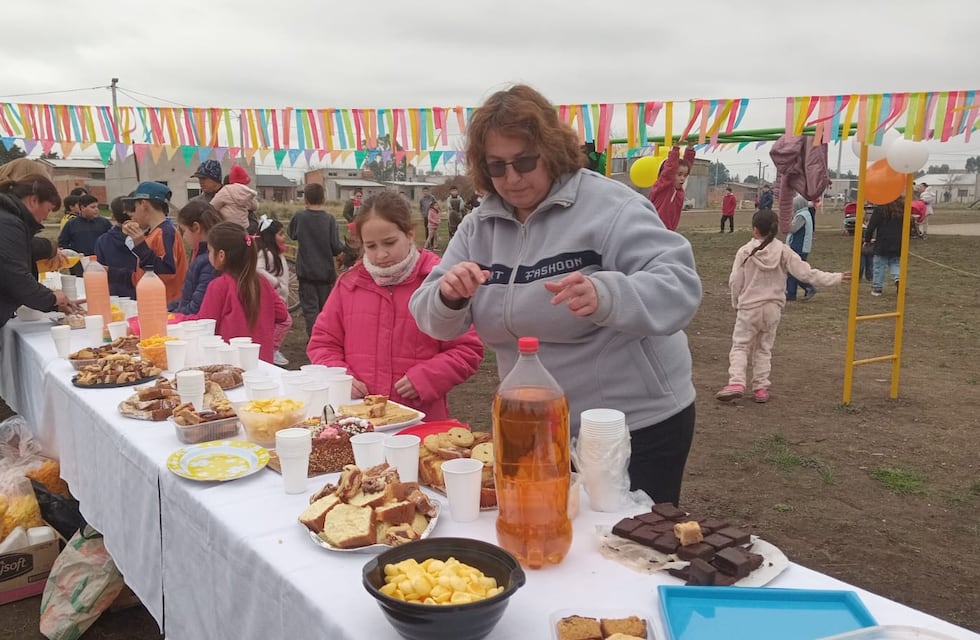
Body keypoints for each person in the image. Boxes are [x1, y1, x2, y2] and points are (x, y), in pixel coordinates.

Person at [408, 84, 702, 506]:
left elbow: (679, 284)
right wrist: (450, 296)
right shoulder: (479, 225)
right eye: (497, 166)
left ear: (551, 150)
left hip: (631, 426)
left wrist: (608, 294)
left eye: (524, 162)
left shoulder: (610, 207)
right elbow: (427, 312)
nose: (511, 178)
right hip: (535, 424)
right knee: (548, 535)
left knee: (628, 547)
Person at [307, 191, 483, 420]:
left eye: (389, 242)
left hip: (420, 420)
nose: (381, 255)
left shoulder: (438, 283)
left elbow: (467, 349)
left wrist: (426, 377)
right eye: (371, 246)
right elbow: (322, 343)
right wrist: (341, 378)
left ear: (409, 234)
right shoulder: (349, 284)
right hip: (359, 420)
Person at [717, 209, 850, 403]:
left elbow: (735, 281)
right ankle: (760, 388)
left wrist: (736, 303)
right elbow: (807, 274)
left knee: (740, 346)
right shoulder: (783, 251)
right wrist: (837, 277)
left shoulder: (744, 251)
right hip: (773, 310)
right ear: (776, 228)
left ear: (755, 230)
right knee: (764, 348)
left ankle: (737, 382)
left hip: (749, 309)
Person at [195, 222, 290, 363]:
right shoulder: (262, 282)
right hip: (263, 362)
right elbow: (282, 315)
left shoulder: (219, 286)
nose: (209, 255)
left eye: (210, 250)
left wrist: (178, 319)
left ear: (221, 255)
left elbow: (204, 325)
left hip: (229, 363)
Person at [0, 174, 70, 327]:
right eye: (48, 209)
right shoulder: (9, 223)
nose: (45, 218)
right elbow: (17, 278)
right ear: (33, 200)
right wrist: (53, 299)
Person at [287, 183, 345, 337]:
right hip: (326, 272)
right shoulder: (330, 219)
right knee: (325, 310)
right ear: (324, 198)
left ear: (305, 199)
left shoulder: (300, 217)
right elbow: (335, 246)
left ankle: (314, 341)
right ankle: (325, 340)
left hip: (306, 272)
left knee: (310, 310)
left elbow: (292, 234)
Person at [121, 182, 189, 305]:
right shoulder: (154, 233)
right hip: (154, 302)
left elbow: (167, 271)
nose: (134, 215)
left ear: (144, 204)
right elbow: (141, 274)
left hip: (166, 305)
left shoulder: (165, 232)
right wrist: (110, 272)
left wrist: (141, 246)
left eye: (135, 208)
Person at [255, 214, 293, 366]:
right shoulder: (267, 254)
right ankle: (272, 349)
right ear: (271, 236)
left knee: (274, 324)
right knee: (286, 321)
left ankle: (269, 349)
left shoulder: (276, 253)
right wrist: (275, 282)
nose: (284, 237)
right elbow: (257, 269)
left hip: (278, 297)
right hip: (272, 298)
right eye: (281, 234)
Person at [174, 200, 222, 314]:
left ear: (196, 227)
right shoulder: (200, 254)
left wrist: (176, 315)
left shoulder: (209, 261)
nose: (182, 236)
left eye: (183, 231)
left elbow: (198, 306)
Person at [95, 196, 138, 298]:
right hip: (144, 292)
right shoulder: (143, 238)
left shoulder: (103, 241)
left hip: (114, 296)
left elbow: (100, 270)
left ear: (113, 216)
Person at [647, 143, 696, 231]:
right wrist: (675, 149)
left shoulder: (679, 190)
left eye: (684, 176)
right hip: (654, 229)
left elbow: (688, 165)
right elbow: (669, 170)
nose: (682, 178)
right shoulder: (662, 187)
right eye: (679, 175)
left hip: (669, 230)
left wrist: (690, 148)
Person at [864, 197, 905, 297]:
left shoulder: (880, 209)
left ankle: (877, 288)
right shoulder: (902, 209)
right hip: (898, 242)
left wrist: (867, 240)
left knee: (879, 265)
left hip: (883, 242)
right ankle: (898, 279)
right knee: (895, 263)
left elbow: (871, 226)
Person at [58, 194, 111, 260]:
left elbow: (111, 241)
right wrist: (72, 256)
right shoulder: (71, 224)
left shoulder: (104, 223)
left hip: (101, 262)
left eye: (97, 207)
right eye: (93, 207)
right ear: (82, 208)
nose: (96, 209)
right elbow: (63, 244)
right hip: (79, 262)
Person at [785, 195, 817, 302]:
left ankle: (793, 292)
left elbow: (793, 229)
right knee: (797, 270)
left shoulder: (801, 216)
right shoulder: (806, 214)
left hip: (798, 246)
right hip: (802, 246)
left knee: (793, 270)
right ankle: (803, 289)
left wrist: (786, 224)